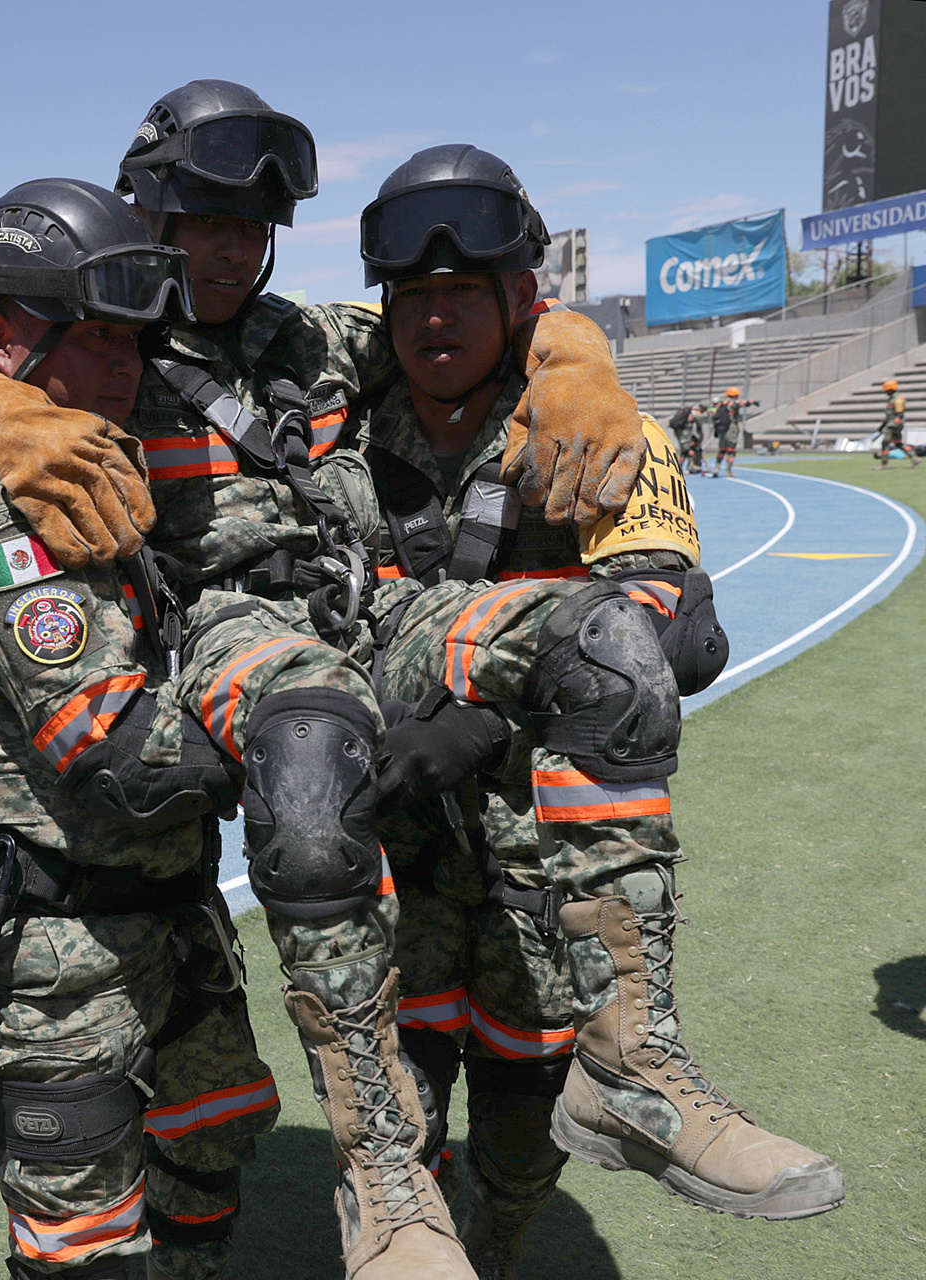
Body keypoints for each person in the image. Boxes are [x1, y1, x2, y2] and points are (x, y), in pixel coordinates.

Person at [0, 82, 649, 1280]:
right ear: (146, 224)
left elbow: (459, 321)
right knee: (79, 1232)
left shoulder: (305, 339)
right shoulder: (86, 344)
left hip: (186, 883)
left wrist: (578, 353)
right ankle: (383, 1153)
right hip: (68, 890)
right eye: (203, 220)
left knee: (212, 1148)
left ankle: (641, 1054)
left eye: (250, 224)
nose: (226, 248)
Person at [355, 146, 842, 1276]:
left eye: (462, 295)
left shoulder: (597, 418)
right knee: (398, 1113)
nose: (434, 319)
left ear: (520, 299)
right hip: (394, 852)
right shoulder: (345, 409)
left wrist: (479, 720)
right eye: (413, 298)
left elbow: (665, 632)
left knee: (525, 1134)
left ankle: (505, 1241)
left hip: (545, 865)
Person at [0, 177, 289, 1280]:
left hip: (171, 917)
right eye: (97, 339)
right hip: (55, 954)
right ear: (2, 336)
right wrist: (314, 741)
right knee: (83, 1246)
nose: (127, 364)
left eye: (137, 340)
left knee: (208, 1160)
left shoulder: (94, 478)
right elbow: (116, 753)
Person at [709, 387, 756, 477]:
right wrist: (751, 402)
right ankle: (728, 471)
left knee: (722, 450)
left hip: (722, 429)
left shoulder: (721, 404)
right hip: (731, 428)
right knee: (731, 450)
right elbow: (742, 403)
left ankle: (717, 468)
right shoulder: (732, 403)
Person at [876, 377, 913, 469]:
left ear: (890, 389)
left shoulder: (898, 399)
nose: (885, 392)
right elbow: (890, 415)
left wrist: (893, 425)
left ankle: (884, 464)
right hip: (892, 424)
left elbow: (899, 414)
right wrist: (883, 425)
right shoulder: (892, 398)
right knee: (898, 443)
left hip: (893, 425)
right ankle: (915, 458)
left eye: (886, 390)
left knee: (885, 443)